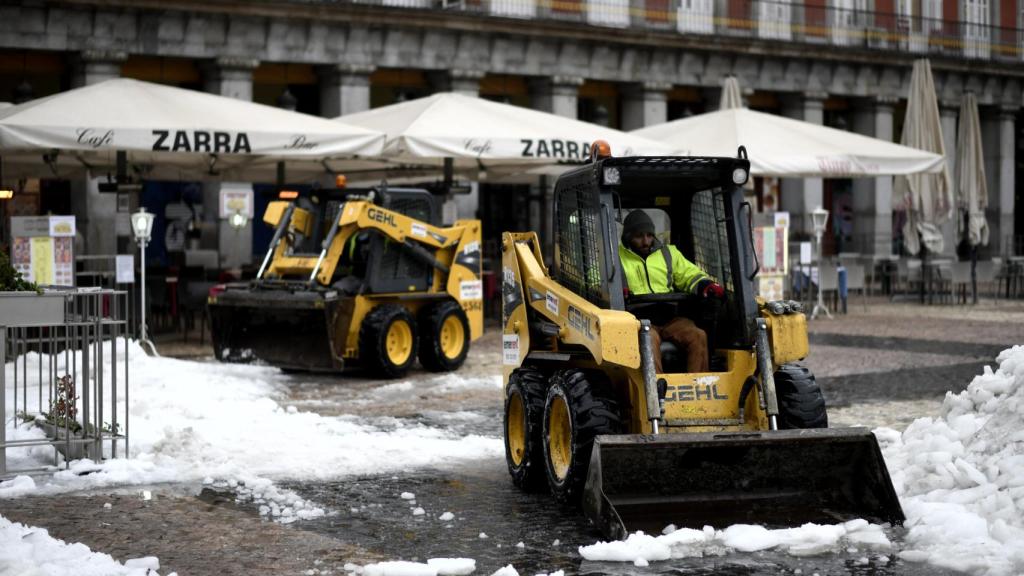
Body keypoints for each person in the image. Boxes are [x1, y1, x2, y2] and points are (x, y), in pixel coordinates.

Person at [618, 209, 724, 373]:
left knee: (698, 336)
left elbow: (689, 274)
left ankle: (698, 388)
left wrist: (705, 284)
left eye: (649, 235)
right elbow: (597, 278)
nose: (646, 241)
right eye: (639, 236)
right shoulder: (616, 258)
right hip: (639, 321)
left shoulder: (668, 253)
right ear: (628, 237)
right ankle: (656, 392)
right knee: (648, 340)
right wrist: (615, 290)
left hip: (670, 318)